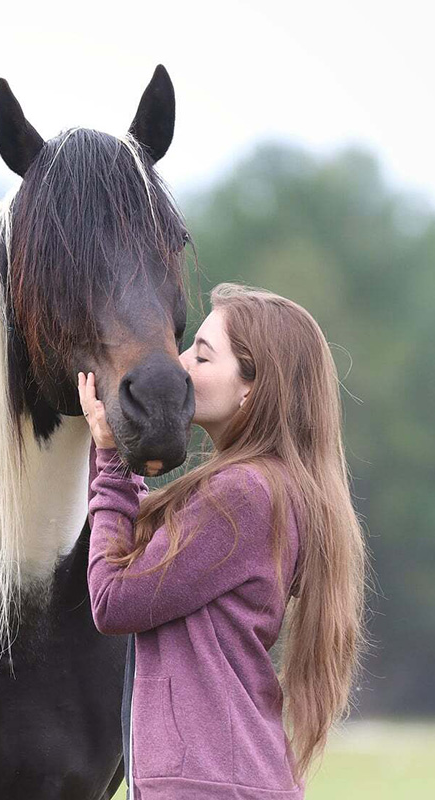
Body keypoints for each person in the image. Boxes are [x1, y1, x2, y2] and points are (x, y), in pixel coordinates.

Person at [78, 282, 369, 799]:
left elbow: (113, 600)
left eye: (203, 355)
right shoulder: (265, 488)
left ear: (251, 388)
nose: (180, 364)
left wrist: (113, 459)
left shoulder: (242, 495)